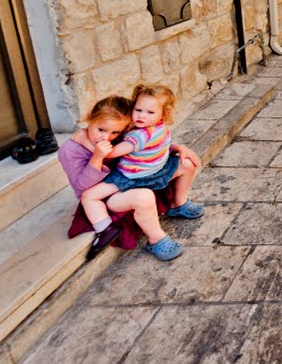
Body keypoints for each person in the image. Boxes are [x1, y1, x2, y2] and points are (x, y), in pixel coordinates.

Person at [79, 84, 203, 261]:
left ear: (163, 115)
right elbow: (163, 145)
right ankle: (177, 204)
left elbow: (111, 153)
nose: (142, 116)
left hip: (133, 177)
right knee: (188, 165)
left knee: (89, 196)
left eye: (149, 112)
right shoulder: (159, 127)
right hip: (154, 172)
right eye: (138, 110)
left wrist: (85, 140)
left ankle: (167, 220)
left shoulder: (138, 136)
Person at [58, 97, 169, 260]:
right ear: (90, 117)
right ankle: (157, 239)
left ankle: (177, 204)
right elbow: (82, 189)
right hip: (101, 199)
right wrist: (96, 158)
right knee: (144, 197)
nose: (106, 137)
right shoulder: (70, 150)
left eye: (115, 132)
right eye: (101, 129)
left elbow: (142, 147)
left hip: (125, 181)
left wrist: (175, 148)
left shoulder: (122, 130)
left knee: (183, 163)